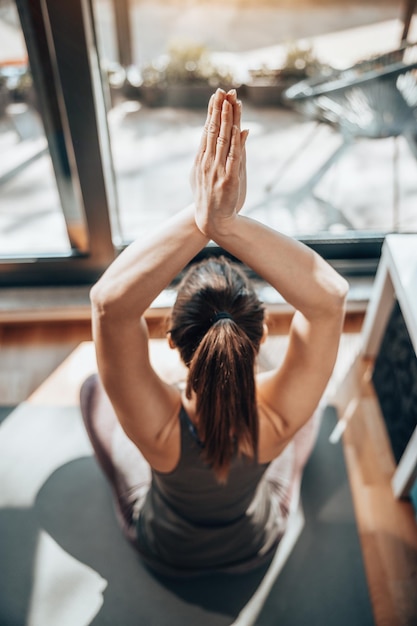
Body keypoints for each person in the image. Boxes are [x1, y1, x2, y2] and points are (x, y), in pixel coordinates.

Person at [80, 88, 348, 576]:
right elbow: (329, 298)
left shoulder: (160, 431)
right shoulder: (276, 419)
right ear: (261, 335)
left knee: (94, 389)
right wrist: (225, 223)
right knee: (308, 415)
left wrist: (201, 218)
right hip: (255, 546)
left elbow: (109, 304)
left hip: (165, 551)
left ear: (173, 342)